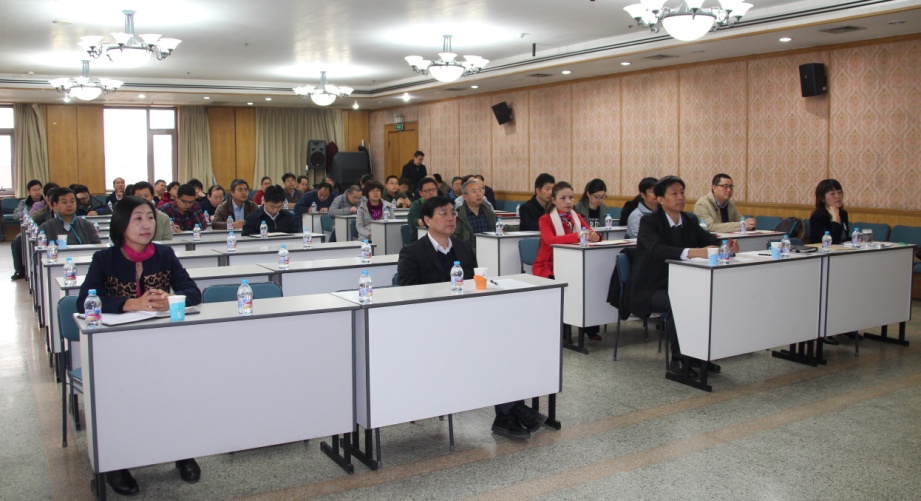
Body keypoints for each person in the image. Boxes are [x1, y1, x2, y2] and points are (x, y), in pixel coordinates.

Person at [76, 196, 202, 496]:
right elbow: (84, 302)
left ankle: (182, 452)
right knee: (121, 401)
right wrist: (130, 303)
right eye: (138, 218)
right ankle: (117, 463)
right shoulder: (104, 259)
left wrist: (169, 300)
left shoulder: (165, 254)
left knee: (174, 397)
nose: (147, 225)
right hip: (116, 347)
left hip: (162, 343)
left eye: (150, 217)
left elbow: (192, 292)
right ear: (121, 224)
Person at [397, 198, 546, 439]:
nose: (450, 218)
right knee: (489, 349)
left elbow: (474, 285)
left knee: (506, 344)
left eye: (453, 213)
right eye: (443, 213)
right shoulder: (412, 252)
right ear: (427, 220)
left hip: (466, 321)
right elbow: (406, 294)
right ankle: (511, 412)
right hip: (433, 326)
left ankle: (508, 413)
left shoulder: (464, 248)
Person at [629, 176, 737, 379]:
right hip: (650, 287)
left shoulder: (689, 220)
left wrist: (726, 247)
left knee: (704, 299)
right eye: (674, 193)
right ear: (661, 199)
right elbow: (658, 250)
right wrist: (694, 252)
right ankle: (678, 360)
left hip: (682, 283)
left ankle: (698, 355)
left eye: (682, 192)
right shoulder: (649, 222)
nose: (680, 197)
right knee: (677, 302)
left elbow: (707, 239)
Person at [453, 179, 497, 251]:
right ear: (465, 196)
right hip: (468, 253)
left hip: (490, 250)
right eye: (474, 192)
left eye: (480, 190)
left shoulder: (488, 210)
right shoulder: (458, 215)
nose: (478, 194)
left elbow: (497, 229)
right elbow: (455, 240)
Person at [809, 179, 850, 244]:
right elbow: (831, 242)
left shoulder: (843, 214)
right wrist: (836, 219)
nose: (837, 196)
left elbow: (844, 238)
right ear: (822, 198)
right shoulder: (817, 217)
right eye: (832, 194)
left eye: (839, 192)